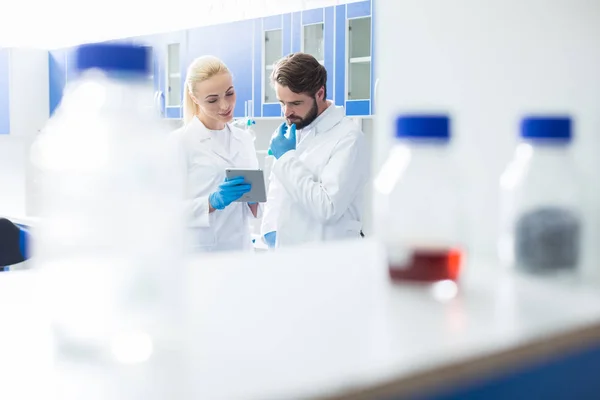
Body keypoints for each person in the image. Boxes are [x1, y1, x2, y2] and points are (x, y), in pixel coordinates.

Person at [260, 52, 369, 248]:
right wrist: (269, 230)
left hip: (327, 261)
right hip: (288, 259)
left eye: (295, 103)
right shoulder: (292, 132)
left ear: (319, 93)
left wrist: (285, 158)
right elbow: (279, 193)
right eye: (282, 103)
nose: (286, 112)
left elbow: (328, 207)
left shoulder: (349, 137)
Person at [171, 56, 261, 253]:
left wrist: (255, 199)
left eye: (229, 93)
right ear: (195, 99)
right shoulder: (179, 142)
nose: (225, 105)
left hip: (241, 252)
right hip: (202, 256)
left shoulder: (244, 139)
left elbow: (253, 209)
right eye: (212, 99)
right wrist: (211, 202)